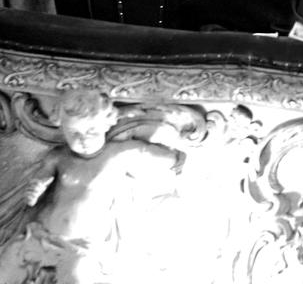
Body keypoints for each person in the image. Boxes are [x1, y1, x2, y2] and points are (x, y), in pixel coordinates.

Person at [0, 89, 182, 283]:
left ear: (107, 123)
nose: (83, 139)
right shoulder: (59, 157)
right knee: (8, 264)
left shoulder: (118, 154)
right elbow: (39, 179)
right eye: (74, 133)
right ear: (62, 128)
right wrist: (35, 189)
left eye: (92, 131)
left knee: (76, 275)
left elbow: (169, 158)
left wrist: (169, 155)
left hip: (79, 247)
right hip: (38, 235)